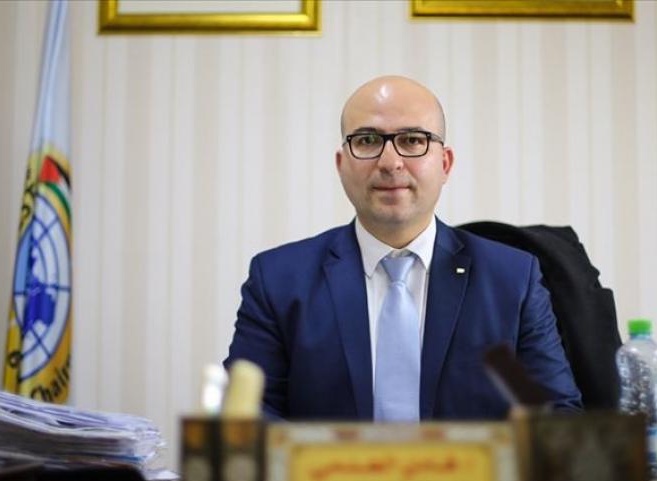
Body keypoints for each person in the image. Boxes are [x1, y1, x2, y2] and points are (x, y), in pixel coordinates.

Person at [224, 75, 582, 420]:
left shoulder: (510, 280)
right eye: (367, 140)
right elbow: (247, 413)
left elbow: (553, 415)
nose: (390, 162)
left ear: (445, 164)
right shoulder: (280, 280)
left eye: (412, 140)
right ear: (341, 164)